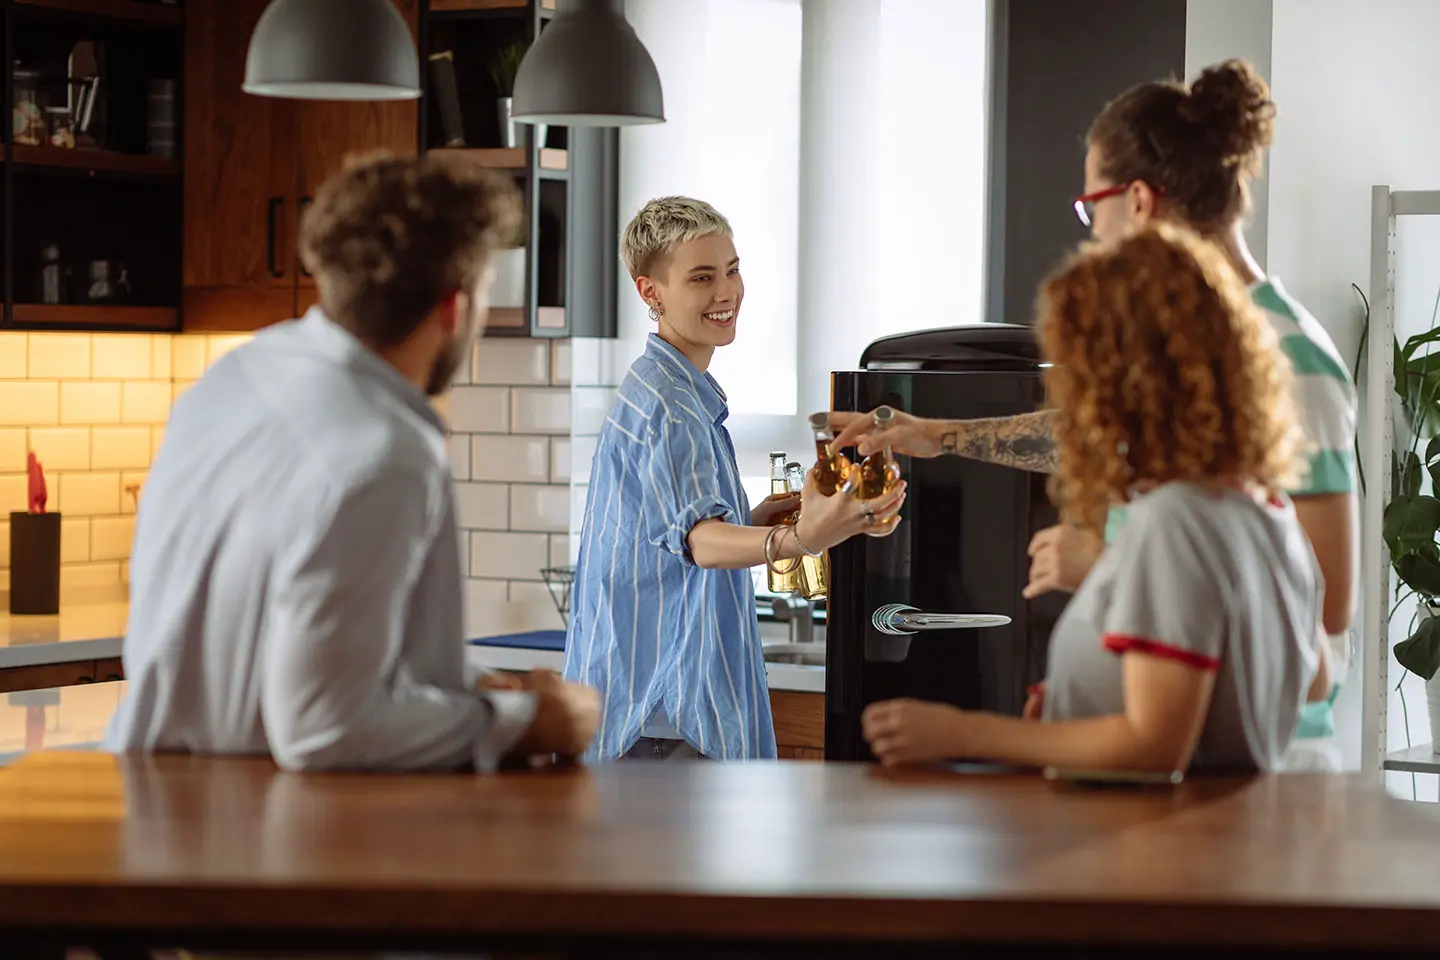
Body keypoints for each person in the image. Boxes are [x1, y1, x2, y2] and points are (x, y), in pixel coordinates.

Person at [833, 59, 1356, 759]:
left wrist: (1116, 567)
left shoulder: (1286, 355)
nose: (1091, 233)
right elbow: (1114, 437)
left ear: (1138, 200)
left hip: (1250, 773)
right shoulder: (1192, 349)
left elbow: (1319, 610)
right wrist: (935, 434)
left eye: (1092, 208)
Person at [104, 152, 600, 772]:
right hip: (247, 834)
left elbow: (294, 647)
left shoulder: (236, 375)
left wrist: (472, 686)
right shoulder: (383, 455)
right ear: (455, 305)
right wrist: (533, 721)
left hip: (158, 801)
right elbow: (324, 729)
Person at [861, 224, 1326, 773]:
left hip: (1156, 851)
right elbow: (1310, 679)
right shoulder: (1266, 510)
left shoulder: (1174, 520)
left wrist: (962, 733)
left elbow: (1154, 746)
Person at [564, 196, 906, 762]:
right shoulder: (671, 406)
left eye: (732, 270)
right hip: (664, 721)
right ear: (651, 292)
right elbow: (699, 542)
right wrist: (798, 540)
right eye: (702, 278)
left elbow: (665, 541)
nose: (726, 293)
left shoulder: (667, 392)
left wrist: (747, 523)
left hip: (643, 716)